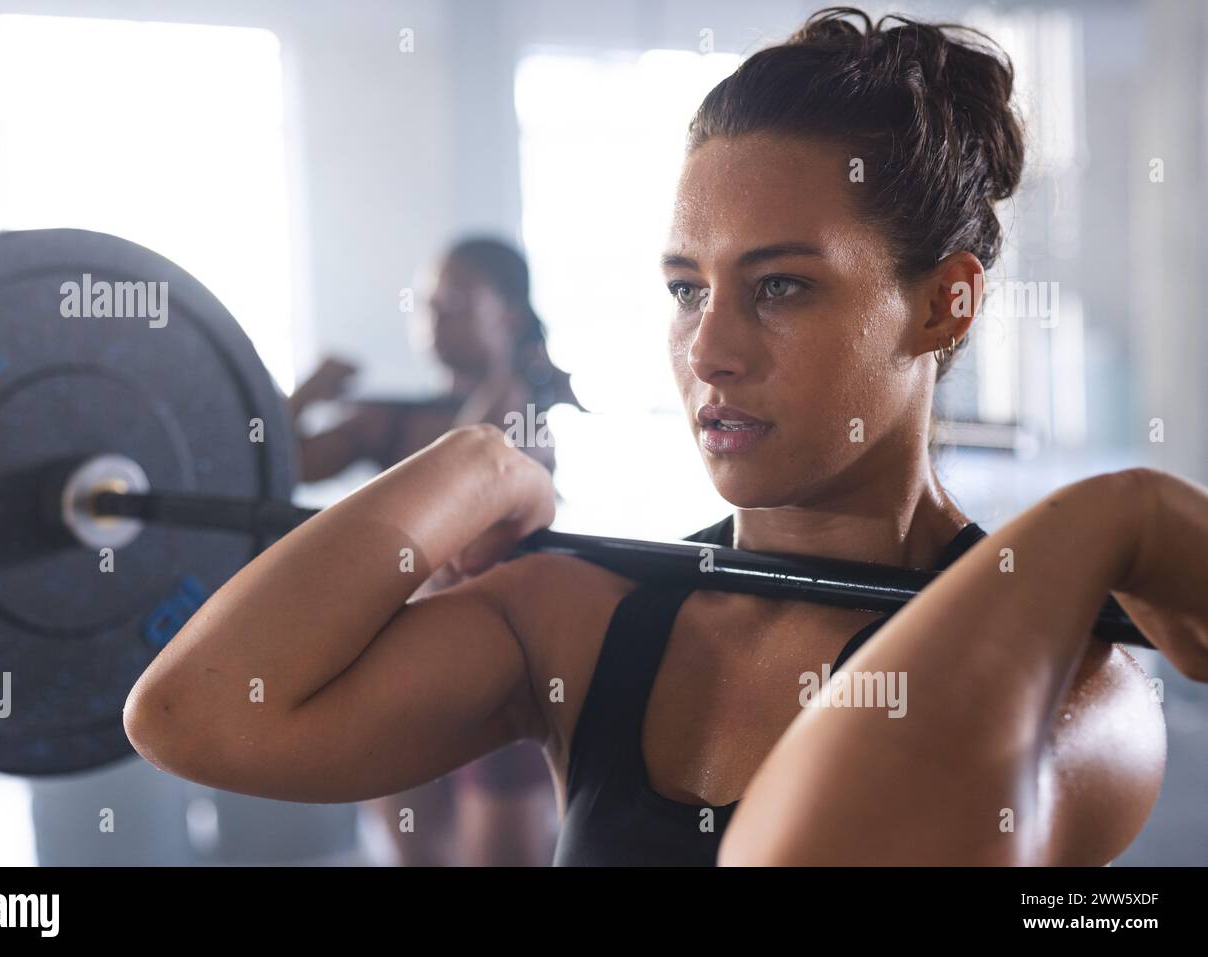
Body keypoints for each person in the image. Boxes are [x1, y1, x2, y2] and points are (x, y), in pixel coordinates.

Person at [123, 8, 1206, 866]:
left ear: (942, 306)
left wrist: (1111, 518)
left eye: (780, 285)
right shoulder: (586, 618)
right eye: (687, 289)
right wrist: (471, 464)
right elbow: (195, 713)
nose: (710, 350)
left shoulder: (1075, 694)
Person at [288, 237, 579, 866]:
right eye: (425, 303)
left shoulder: (527, 412)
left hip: (498, 673)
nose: (432, 318)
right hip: (395, 665)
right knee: (417, 858)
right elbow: (271, 467)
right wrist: (305, 395)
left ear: (506, 312)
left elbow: (466, 466)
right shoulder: (391, 419)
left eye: (454, 302)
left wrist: (512, 366)